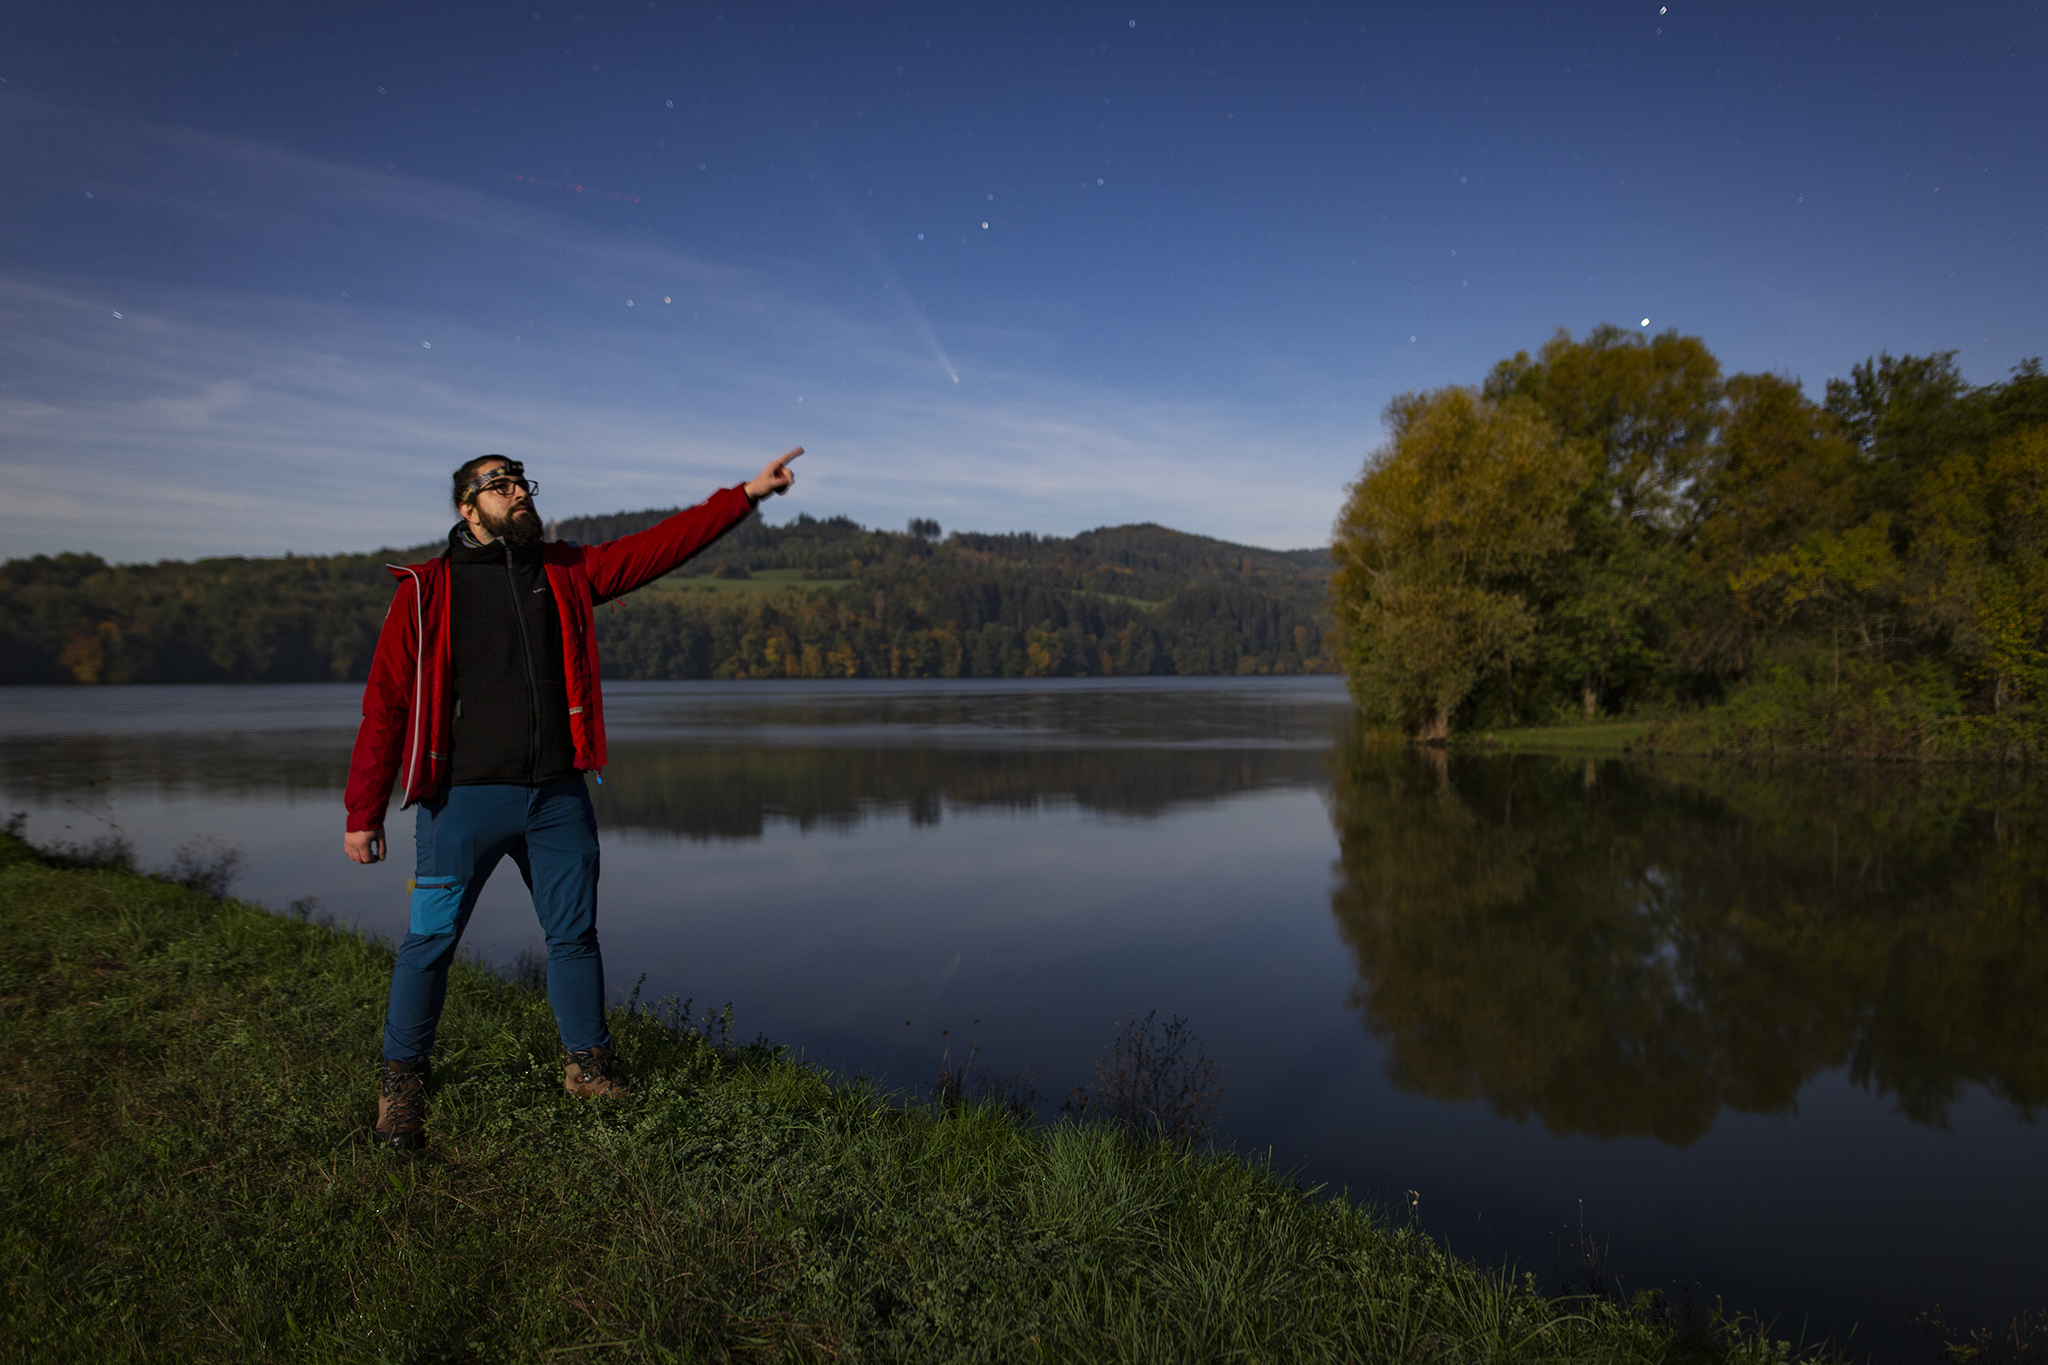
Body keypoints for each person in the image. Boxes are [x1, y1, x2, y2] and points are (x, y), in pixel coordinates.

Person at [343, 447, 801, 1150]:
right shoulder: (426, 592)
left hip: (558, 797)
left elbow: (658, 548)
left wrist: (745, 495)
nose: (519, 491)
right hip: (461, 805)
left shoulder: (564, 571)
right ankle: (401, 1084)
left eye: (522, 481)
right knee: (429, 941)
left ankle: (588, 1065)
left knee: (574, 937)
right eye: (501, 485)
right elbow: (385, 706)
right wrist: (361, 811)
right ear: (468, 509)